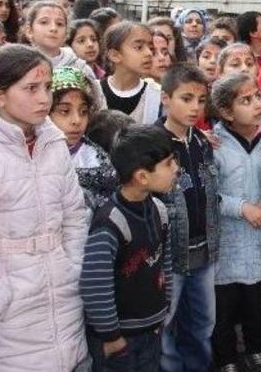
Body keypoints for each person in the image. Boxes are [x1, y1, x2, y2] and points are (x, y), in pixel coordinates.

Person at [0, 45, 90, 371]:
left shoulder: (53, 141)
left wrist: (72, 268)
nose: (44, 99)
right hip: (6, 311)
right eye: (31, 88)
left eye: (47, 87)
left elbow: (74, 214)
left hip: (62, 298)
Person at [81, 125, 176, 371]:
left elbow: (164, 264)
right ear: (142, 177)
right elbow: (95, 284)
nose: (176, 168)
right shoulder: (111, 222)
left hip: (151, 331)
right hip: (120, 341)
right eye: (168, 164)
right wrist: (112, 337)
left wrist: (164, 309)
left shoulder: (159, 211)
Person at [157, 63, 221, 372]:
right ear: (165, 98)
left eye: (201, 100)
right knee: (165, 323)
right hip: (169, 255)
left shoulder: (201, 142)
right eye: (186, 98)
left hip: (203, 251)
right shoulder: (153, 142)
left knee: (203, 321)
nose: (195, 107)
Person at [210, 74, 261, 372]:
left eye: (258, 96)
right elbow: (209, 194)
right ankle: (225, 357)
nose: (257, 104)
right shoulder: (214, 143)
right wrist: (242, 208)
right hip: (228, 242)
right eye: (245, 100)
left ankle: (256, 348)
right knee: (224, 305)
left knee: (256, 302)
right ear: (226, 111)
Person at [49, 67, 118, 213]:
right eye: (65, 111)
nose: (77, 120)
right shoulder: (28, 156)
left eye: (83, 112)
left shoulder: (97, 161)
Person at [25, 0, 105, 107]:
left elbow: (98, 106)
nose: (53, 28)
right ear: (29, 30)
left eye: (59, 24)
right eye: (44, 22)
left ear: (66, 33)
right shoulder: (20, 67)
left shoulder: (80, 69)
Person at [102, 21, 162, 124]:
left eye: (151, 48)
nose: (149, 53)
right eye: (139, 47)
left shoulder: (157, 94)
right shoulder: (94, 91)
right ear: (115, 55)